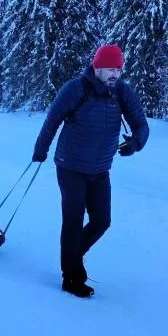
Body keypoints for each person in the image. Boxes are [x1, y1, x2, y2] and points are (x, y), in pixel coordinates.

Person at [32, 44, 150, 298]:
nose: (114, 74)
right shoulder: (75, 89)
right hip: (70, 165)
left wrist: (135, 143)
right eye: (109, 69)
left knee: (102, 221)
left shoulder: (121, 93)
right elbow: (52, 120)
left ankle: (73, 256)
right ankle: (71, 277)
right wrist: (40, 150)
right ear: (97, 67)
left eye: (118, 69)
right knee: (73, 221)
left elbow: (141, 124)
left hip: (100, 169)